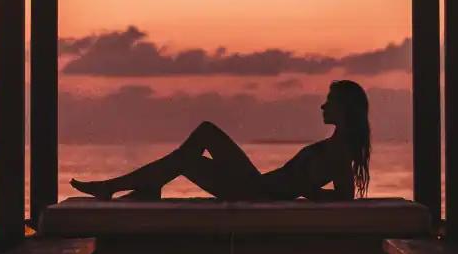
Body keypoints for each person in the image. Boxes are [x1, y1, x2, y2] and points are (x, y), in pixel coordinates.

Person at [70, 79, 371, 201]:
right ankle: (139, 187)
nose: (322, 106)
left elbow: (345, 198)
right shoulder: (336, 144)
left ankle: (123, 188)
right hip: (259, 186)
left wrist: (304, 190)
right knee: (200, 138)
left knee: (199, 140)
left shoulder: (340, 150)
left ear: (344, 108)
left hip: (256, 193)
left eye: (329, 101)